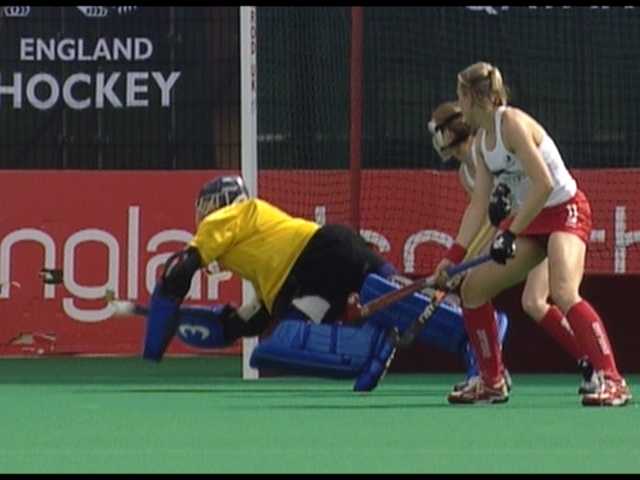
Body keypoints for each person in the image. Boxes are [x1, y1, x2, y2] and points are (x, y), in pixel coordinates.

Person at [139, 174, 506, 392]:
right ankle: (475, 343)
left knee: (286, 339)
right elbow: (247, 321)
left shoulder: (226, 217)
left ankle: (459, 335)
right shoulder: (255, 242)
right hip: (315, 268)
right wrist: (204, 323)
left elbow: (178, 271)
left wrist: (157, 334)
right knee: (289, 335)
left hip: (316, 259)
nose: (201, 216)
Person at [435, 61, 631, 406]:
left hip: (565, 211)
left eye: (460, 96)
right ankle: (492, 381)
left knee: (563, 291)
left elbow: (544, 183)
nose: (458, 104)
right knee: (473, 290)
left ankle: (613, 380)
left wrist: (510, 234)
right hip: (532, 220)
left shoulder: (511, 124)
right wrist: (453, 256)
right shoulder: (481, 145)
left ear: (472, 97)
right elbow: (478, 205)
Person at [429, 100, 597, 394]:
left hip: (543, 221)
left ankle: (592, 362)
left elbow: (503, 218)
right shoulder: (467, 174)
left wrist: (472, 255)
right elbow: (486, 220)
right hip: (520, 230)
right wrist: (460, 260)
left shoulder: (496, 144)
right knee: (476, 290)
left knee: (535, 301)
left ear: (449, 133)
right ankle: (492, 375)